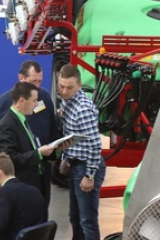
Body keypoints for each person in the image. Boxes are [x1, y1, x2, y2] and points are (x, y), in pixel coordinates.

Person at [58, 64, 105, 240]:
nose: (64, 91)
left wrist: (89, 175)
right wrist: (66, 158)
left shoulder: (82, 109)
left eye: (69, 87)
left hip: (86, 167)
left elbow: (94, 145)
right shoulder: (67, 101)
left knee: (87, 221)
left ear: (79, 85)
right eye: (61, 86)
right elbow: (71, 135)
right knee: (75, 217)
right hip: (75, 164)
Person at [0, 81, 59, 207]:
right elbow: (10, 159)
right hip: (24, 187)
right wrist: (39, 153)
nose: (37, 104)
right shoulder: (6, 126)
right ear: (22, 101)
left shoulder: (23, 120)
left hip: (37, 183)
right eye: (34, 100)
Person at [0, 60, 58, 156]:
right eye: (33, 81)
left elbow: (52, 127)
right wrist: (2, 156)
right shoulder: (5, 101)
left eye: (40, 81)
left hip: (43, 160)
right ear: (21, 78)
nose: (37, 86)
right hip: (19, 162)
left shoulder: (45, 97)